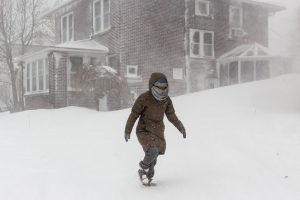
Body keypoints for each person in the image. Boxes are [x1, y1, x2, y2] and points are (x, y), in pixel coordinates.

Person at [124, 72, 186, 185]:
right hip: (144, 131)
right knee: (152, 152)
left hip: (158, 132)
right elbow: (134, 114)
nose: (162, 89)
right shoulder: (144, 98)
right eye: (159, 86)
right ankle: (142, 170)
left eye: (164, 86)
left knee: (154, 158)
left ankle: (148, 179)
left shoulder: (166, 100)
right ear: (152, 85)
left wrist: (180, 127)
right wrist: (127, 130)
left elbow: (171, 115)